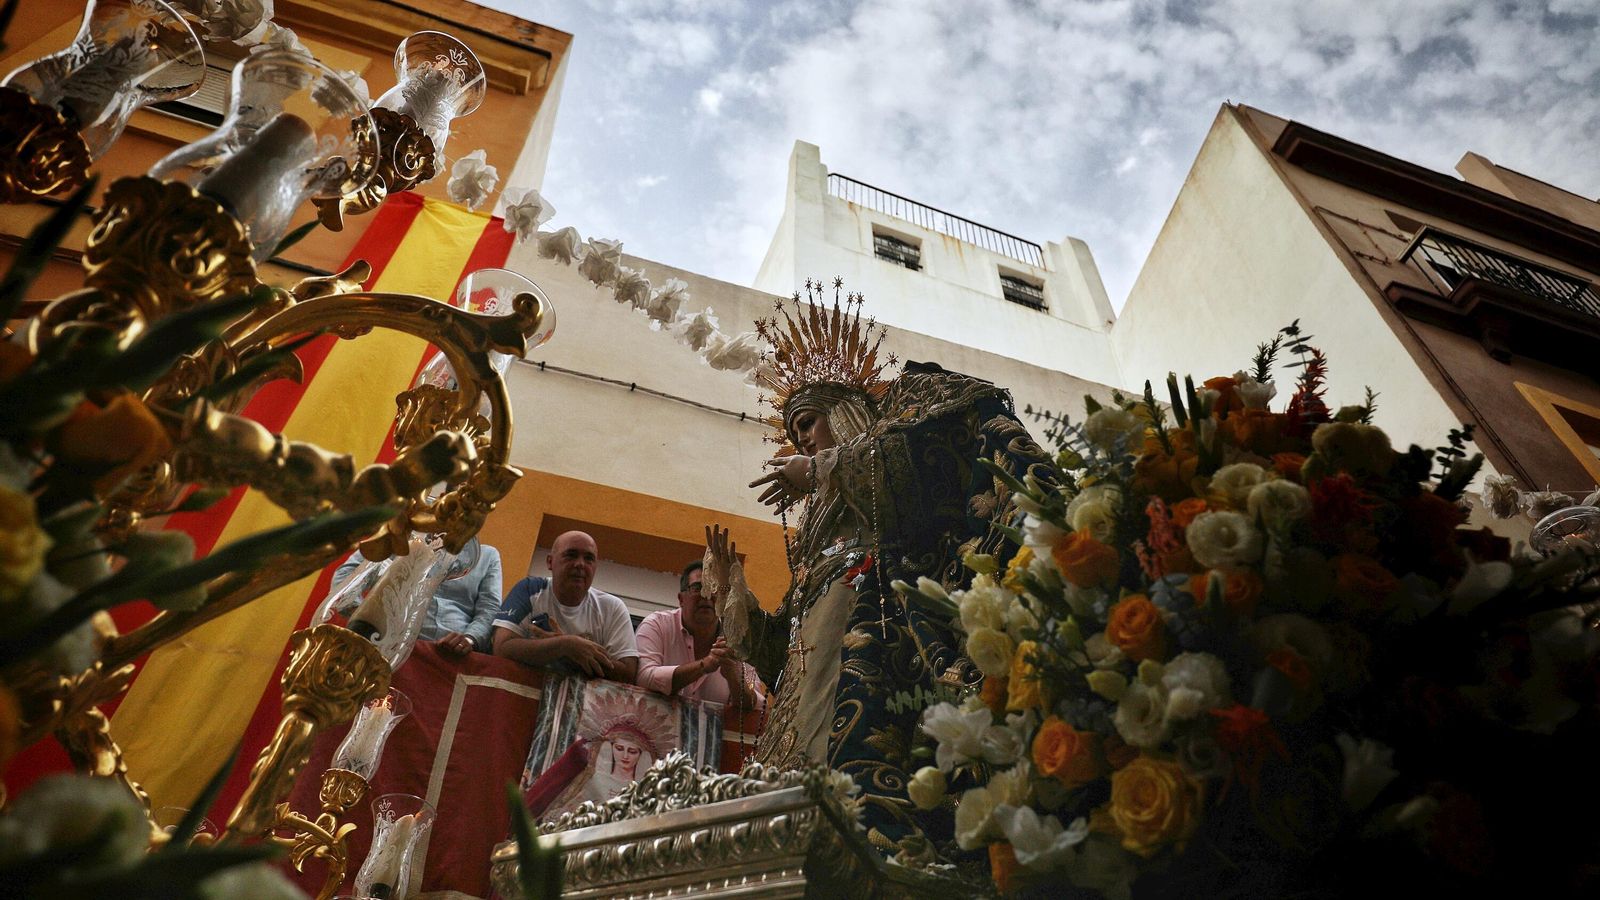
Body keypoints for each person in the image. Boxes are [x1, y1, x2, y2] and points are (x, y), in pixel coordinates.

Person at [703, 283, 1049, 861]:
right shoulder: (817, 546)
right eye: (795, 433)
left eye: (811, 423)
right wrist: (734, 601)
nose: (803, 439)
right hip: (803, 704)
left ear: (846, 414)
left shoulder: (892, 451)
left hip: (882, 653)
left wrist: (825, 468)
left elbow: (918, 471)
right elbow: (784, 654)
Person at [492, 530, 639, 683]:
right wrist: (565, 645)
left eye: (589, 558)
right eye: (571, 555)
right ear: (550, 562)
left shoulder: (612, 607)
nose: (580, 564)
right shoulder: (529, 589)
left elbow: (628, 673)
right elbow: (501, 647)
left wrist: (569, 650)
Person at [331, 535, 501, 658]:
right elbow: (347, 574)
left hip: (453, 654)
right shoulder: (399, 538)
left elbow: (490, 608)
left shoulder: (487, 556)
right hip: (386, 641)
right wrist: (361, 618)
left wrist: (470, 639)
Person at [635, 561, 766, 714]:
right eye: (698, 588)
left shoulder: (741, 642)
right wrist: (704, 665)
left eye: (714, 589)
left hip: (714, 737)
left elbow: (758, 706)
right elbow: (643, 677)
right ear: (681, 599)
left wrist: (734, 677)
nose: (706, 595)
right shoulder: (656, 625)